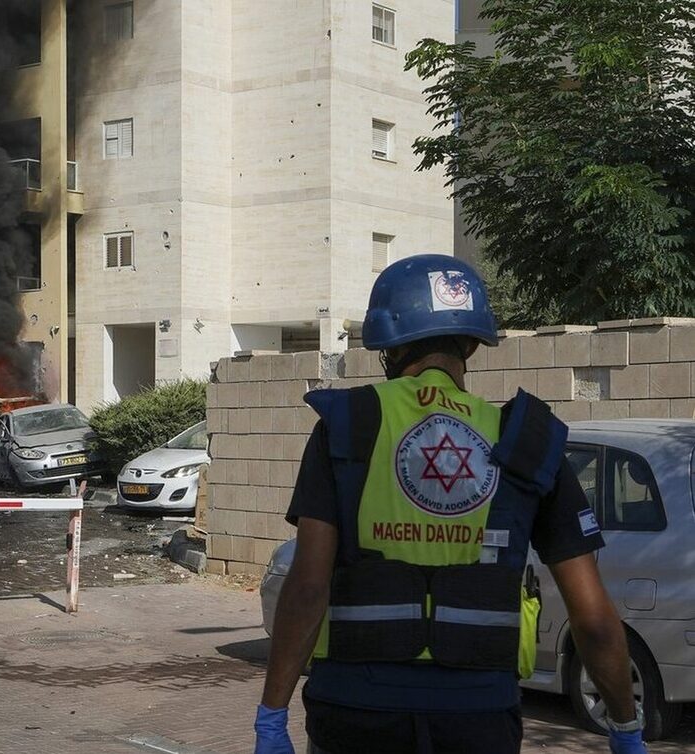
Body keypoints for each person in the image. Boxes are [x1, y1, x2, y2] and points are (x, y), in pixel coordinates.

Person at [253, 255, 645, 754]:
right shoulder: (526, 441)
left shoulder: (347, 426)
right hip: (478, 718)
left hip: (356, 712)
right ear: (471, 344)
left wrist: (272, 717)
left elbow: (308, 586)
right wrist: (625, 729)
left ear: (388, 348)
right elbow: (591, 616)